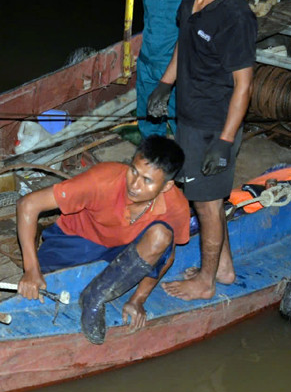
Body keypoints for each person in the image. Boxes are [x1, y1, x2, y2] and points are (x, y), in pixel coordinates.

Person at [147, 0, 255, 301]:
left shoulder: (236, 18)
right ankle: (223, 269)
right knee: (203, 197)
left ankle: (206, 281)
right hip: (188, 116)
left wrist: (224, 142)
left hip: (214, 125)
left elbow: (243, 85)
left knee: (207, 205)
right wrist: (165, 83)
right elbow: (185, 43)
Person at [16, 136, 190, 342]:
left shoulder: (176, 206)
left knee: (162, 236)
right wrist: (31, 269)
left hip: (123, 246)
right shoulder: (102, 179)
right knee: (43, 285)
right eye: (134, 171)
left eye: (148, 181)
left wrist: (138, 299)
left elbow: (167, 256)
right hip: (76, 240)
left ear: (167, 186)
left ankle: (94, 298)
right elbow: (28, 204)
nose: (134, 185)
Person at [137, 0, 188, 139]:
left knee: (181, 118)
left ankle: (185, 159)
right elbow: (149, 21)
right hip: (147, 60)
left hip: (177, 65)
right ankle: (151, 152)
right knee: (148, 115)